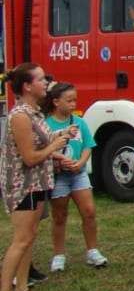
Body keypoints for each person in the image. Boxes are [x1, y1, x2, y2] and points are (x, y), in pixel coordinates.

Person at [0, 63, 75, 291]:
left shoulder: (36, 113)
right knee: (20, 240)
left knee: (31, 237)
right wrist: (55, 147)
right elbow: (30, 157)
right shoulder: (20, 116)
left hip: (40, 182)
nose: (47, 83)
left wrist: (60, 139)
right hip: (22, 185)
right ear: (27, 86)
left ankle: (22, 289)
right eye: (42, 79)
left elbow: (43, 145)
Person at [42, 82, 108, 272]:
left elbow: (88, 144)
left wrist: (81, 163)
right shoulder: (46, 124)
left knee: (89, 211)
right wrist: (60, 159)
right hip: (59, 175)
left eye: (74, 100)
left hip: (78, 174)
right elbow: (43, 148)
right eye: (68, 100)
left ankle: (92, 251)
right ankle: (59, 254)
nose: (73, 104)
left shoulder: (79, 122)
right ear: (55, 102)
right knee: (60, 215)